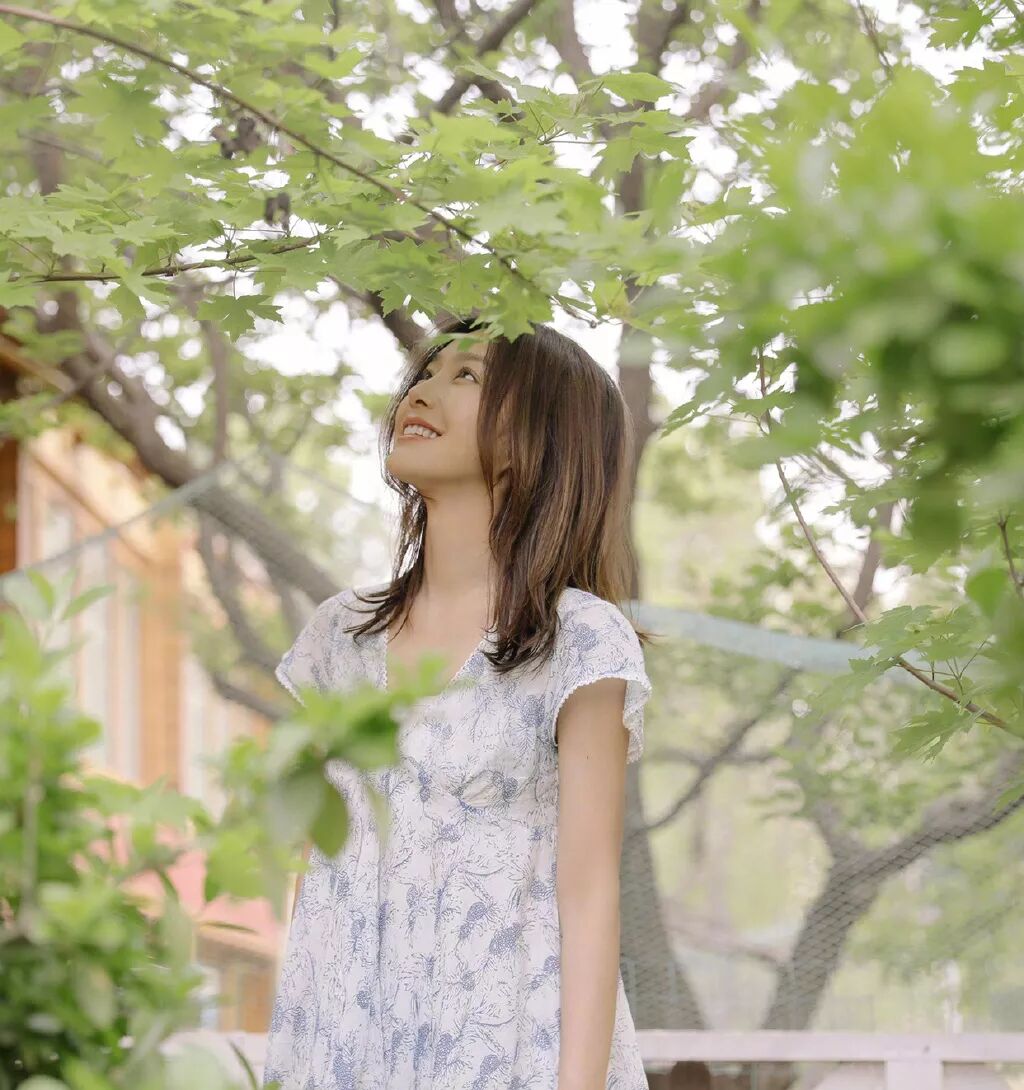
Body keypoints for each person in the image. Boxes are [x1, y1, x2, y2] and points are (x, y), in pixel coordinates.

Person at [263, 314, 658, 1090]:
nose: (421, 391)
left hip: (511, 1051)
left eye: (466, 376)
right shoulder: (338, 638)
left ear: (537, 437)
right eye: (426, 372)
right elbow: (318, 877)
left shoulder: (579, 641)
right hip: (354, 1045)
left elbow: (588, 898)